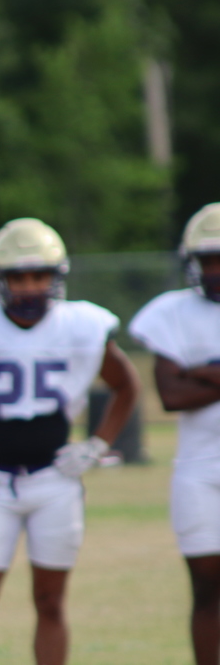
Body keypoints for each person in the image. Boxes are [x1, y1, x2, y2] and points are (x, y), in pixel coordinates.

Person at [0, 218, 140, 665]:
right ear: (0, 279)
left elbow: (127, 385)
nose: (30, 286)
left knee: (51, 602)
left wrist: (98, 443)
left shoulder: (80, 324)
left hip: (55, 480)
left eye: (40, 275)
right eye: (19, 276)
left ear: (58, 277)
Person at [129, 202, 220, 665]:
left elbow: (186, 383)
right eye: (210, 260)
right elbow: (171, 394)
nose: (217, 270)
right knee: (206, 587)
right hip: (200, 467)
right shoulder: (172, 312)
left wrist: (203, 371)